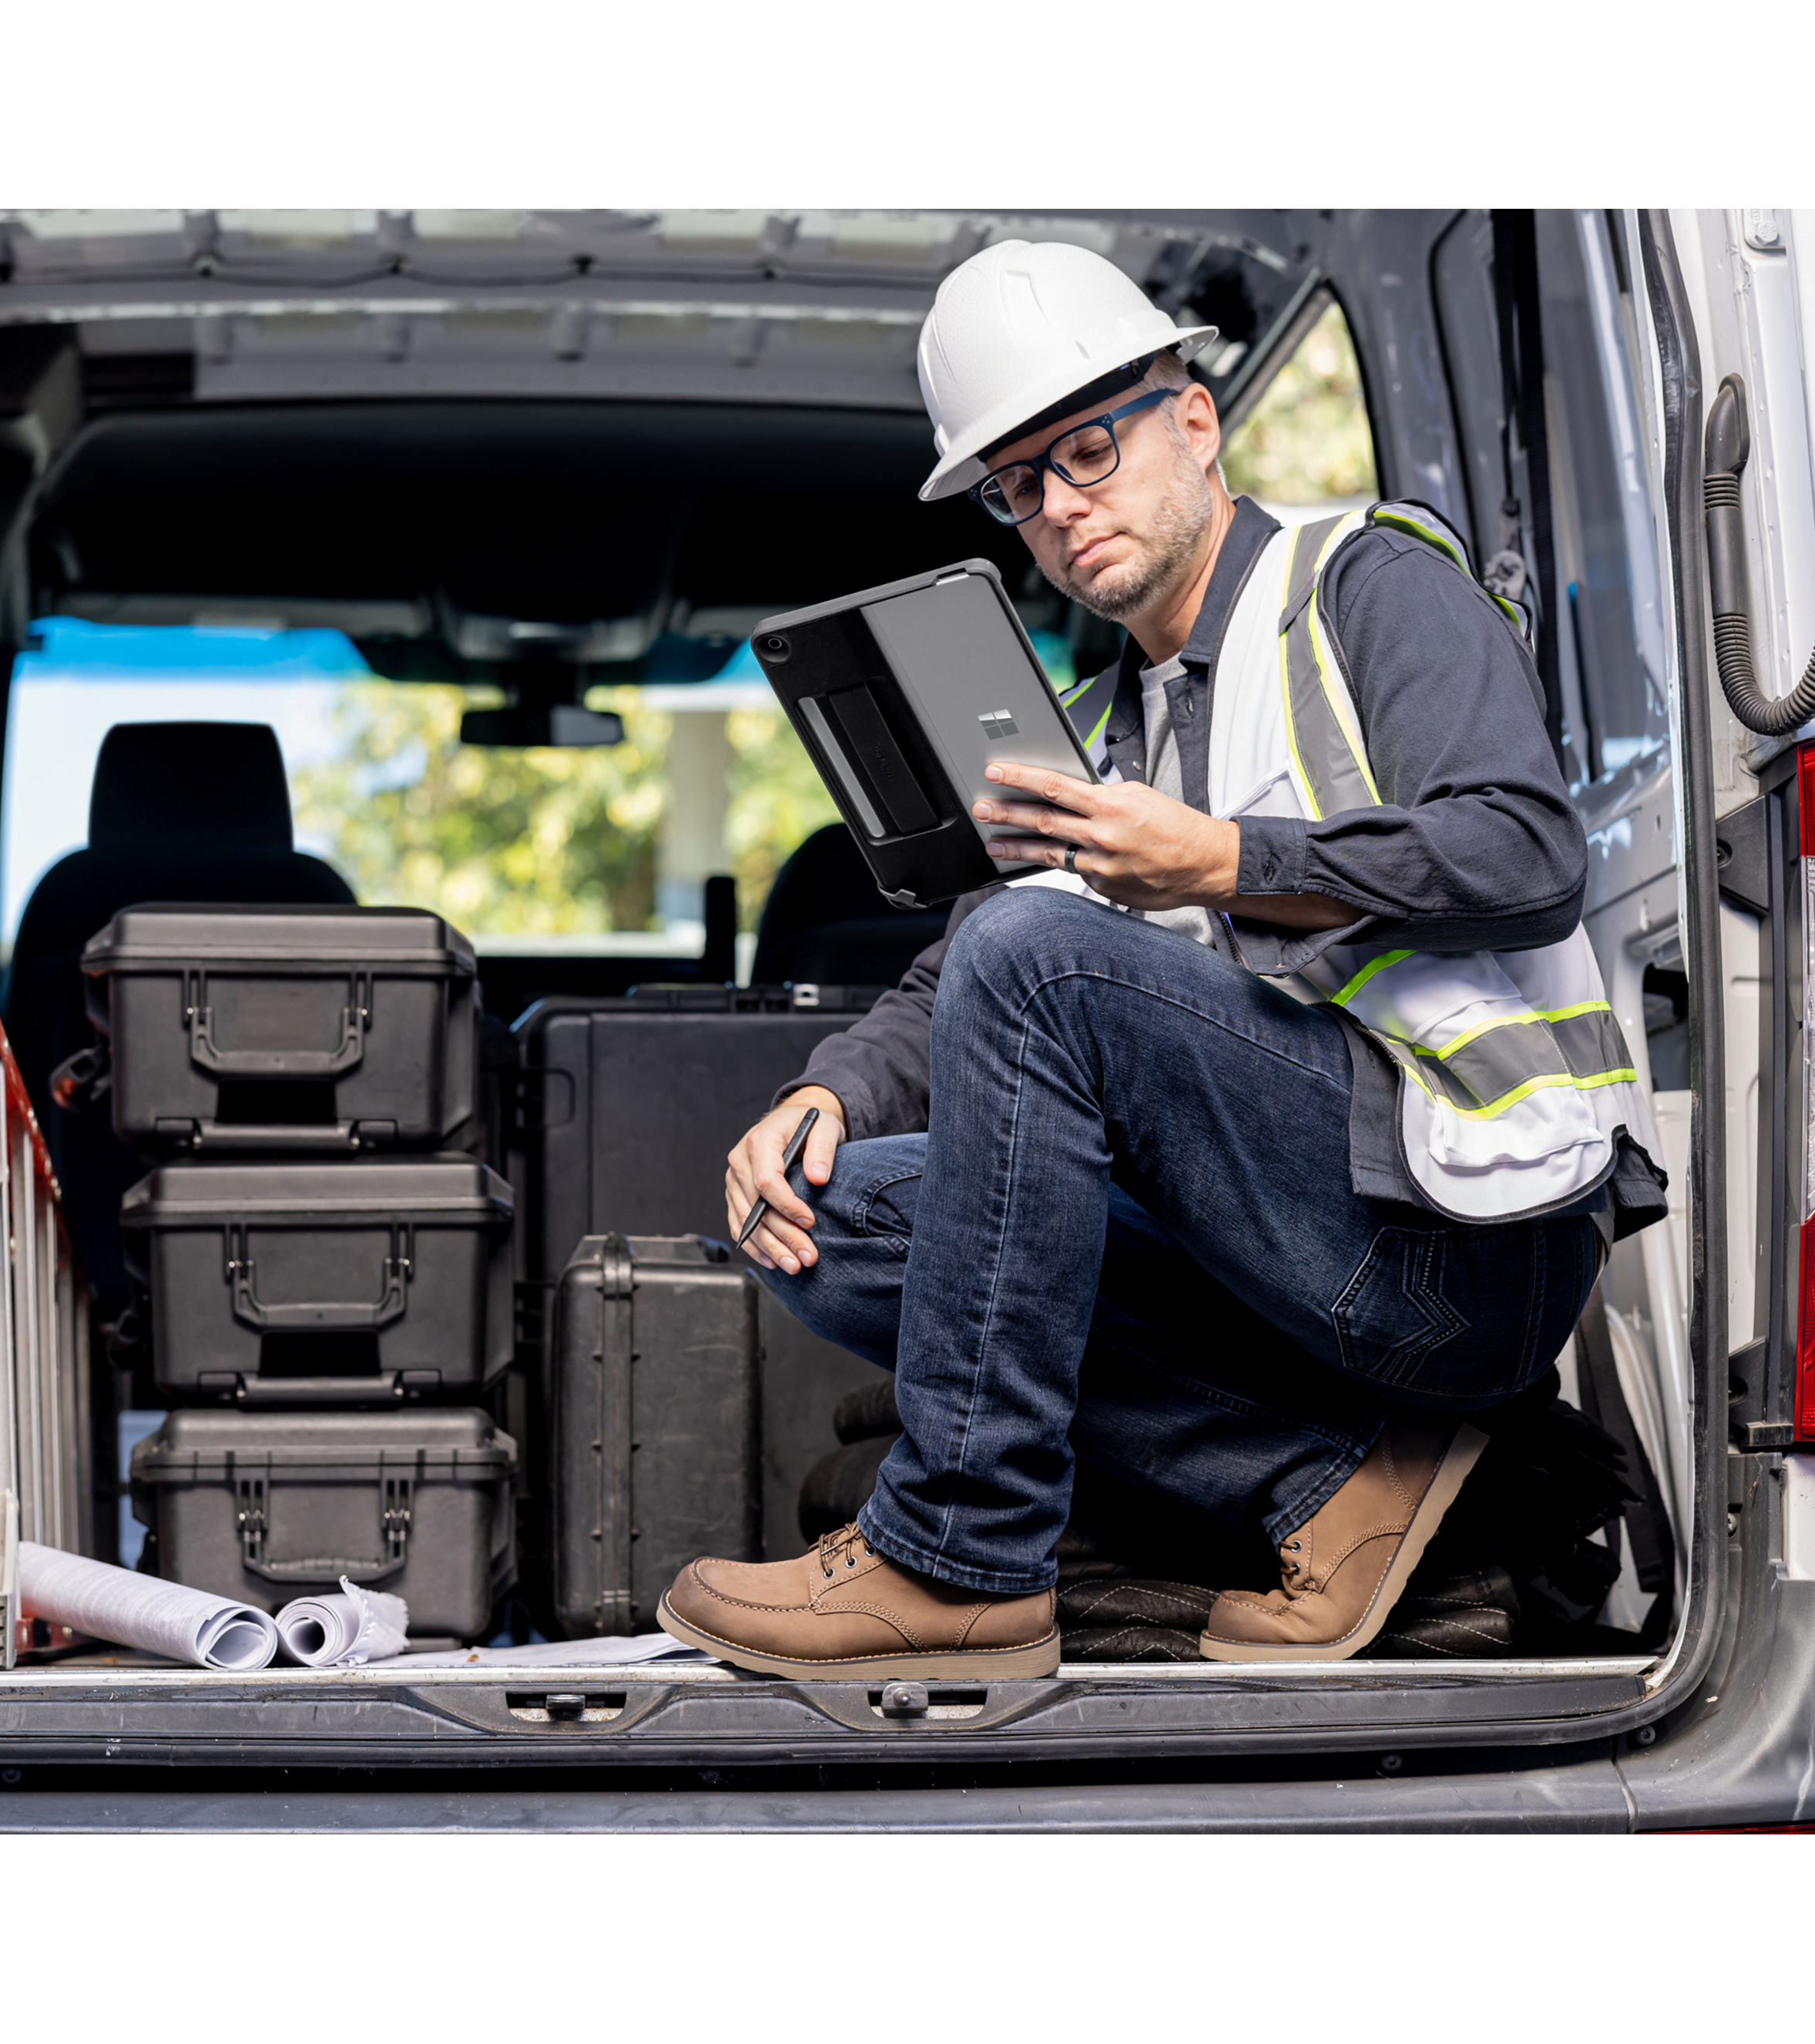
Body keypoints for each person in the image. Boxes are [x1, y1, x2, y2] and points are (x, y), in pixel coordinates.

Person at [656, 240, 1665, 1680]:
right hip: (1298, 1273)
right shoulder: (1096, 731)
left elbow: (1523, 852)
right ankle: (1336, 1478)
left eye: (1088, 450)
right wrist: (831, 1094)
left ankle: (955, 1554)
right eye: (1021, 490)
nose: (1062, 511)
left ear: (1194, 421)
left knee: (1038, 950)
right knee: (842, 1220)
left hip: (1468, 1238)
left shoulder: (1366, 585)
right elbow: (962, 982)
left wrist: (1226, 862)